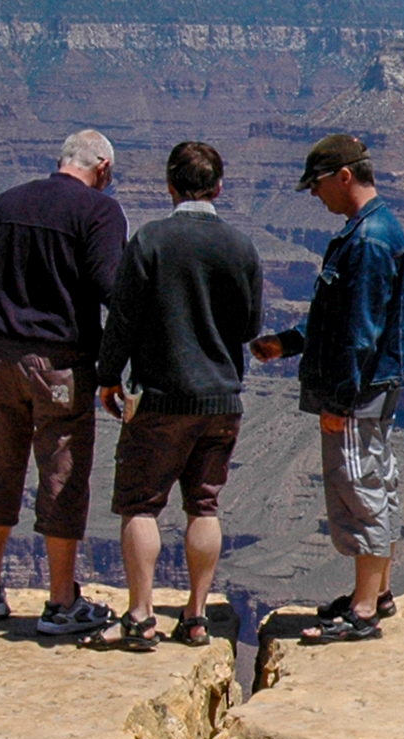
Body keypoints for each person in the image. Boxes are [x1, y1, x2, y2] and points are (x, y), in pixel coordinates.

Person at [85, 141, 263, 651]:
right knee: (203, 506)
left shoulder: (150, 242)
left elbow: (122, 318)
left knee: (141, 505)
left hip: (161, 398)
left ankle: (141, 617)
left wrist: (107, 375)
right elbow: (250, 325)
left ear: (169, 186)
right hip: (221, 400)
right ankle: (196, 616)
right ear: (219, 187)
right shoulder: (240, 246)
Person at [251, 133, 404, 643]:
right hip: (371, 388)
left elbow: (359, 332)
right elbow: (339, 321)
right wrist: (290, 343)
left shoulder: (367, 240)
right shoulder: (370, 230)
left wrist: (338, 403)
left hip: (357, 395)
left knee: (359, 491)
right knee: (376, 484)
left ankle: (364, 610)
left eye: (318, 185)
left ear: (345, 177)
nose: (314, 197)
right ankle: (378, 592)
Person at [0, 129, 126, 634]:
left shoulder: (5, 204)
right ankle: (60, 603)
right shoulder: (98, 212)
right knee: (61, 475)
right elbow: (110, 289)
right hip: (61, 363)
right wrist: (115, 365)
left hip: (1, 357)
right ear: (101, 166)